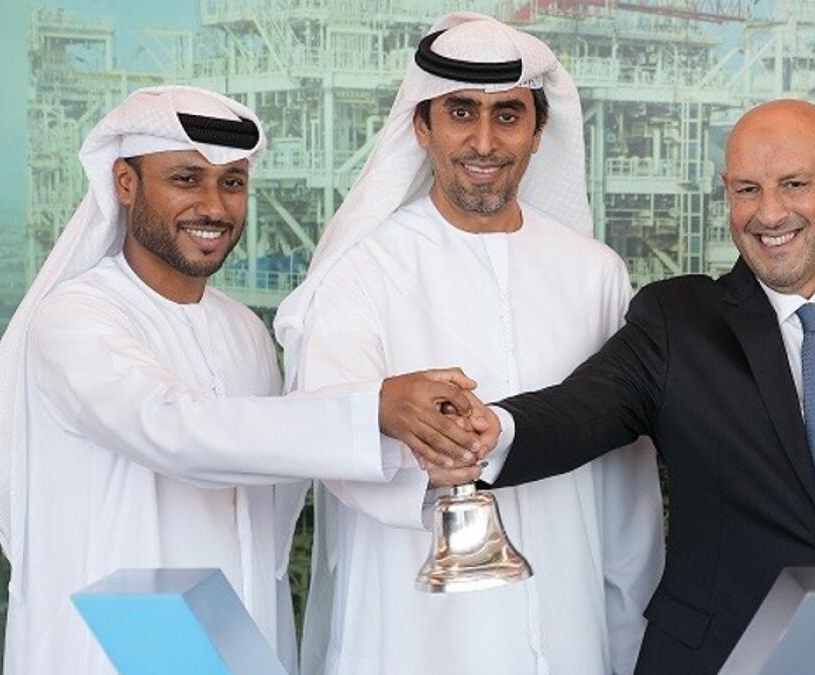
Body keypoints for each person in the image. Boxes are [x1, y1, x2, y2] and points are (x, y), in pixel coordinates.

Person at [474, 99, 815, 673]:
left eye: (794, 185)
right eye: (747, 190)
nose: (768, 214)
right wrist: (483, 432)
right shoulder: (675, 323)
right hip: (722, 659)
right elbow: (580, 411)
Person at [0, 86, 486, 675]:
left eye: (232, 182)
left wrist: (429, 448)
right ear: (125, 184)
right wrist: (375, 409)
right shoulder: (74, 317)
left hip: (238, 634)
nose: (213, 206)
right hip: (118, 644)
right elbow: (173, 430)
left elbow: (277, 463)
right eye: (186, 179)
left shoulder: (245, 331)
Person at [274, 13, 664, 675]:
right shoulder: (361, 270)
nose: (484, 141)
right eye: (460, 112)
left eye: (508, 115)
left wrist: (627, 639)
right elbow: (330, 443)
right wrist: (420, 442)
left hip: (569, 634)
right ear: (421, 126)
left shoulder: (595, 273)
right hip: (413, 638)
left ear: (539, 132)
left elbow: (624, 486)